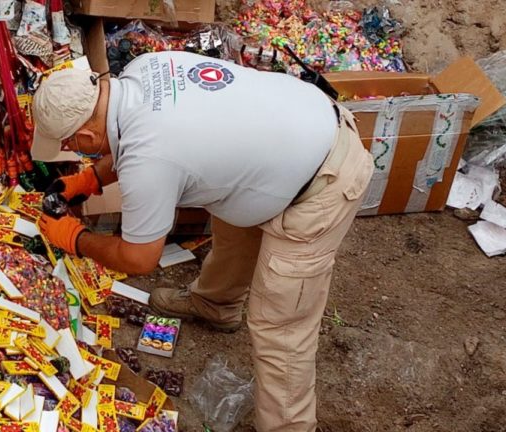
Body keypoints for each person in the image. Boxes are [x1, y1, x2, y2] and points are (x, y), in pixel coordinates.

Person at [31, 51, 374, 432]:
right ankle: (215, 304)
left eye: (71, 145)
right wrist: (93, 178)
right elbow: (141, 136)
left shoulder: (148, 160)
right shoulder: (141, 71)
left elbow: (139, 257)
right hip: (292, 129)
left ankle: (289, 428)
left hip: (323, 179)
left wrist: (76, 239)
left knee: (281, 328)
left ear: (84, 137)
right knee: (232, 229)